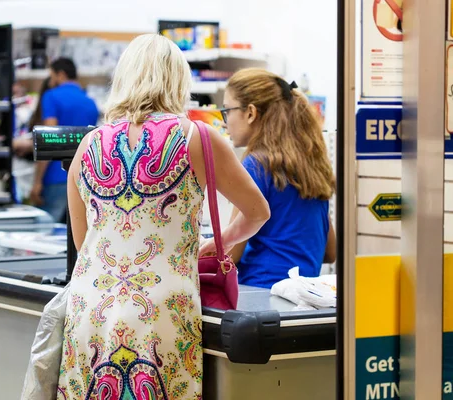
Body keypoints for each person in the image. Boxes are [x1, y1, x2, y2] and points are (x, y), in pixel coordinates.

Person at [57, 34, 270, 399]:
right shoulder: (196, 138)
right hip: (161, 313)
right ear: (177, 80)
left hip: (92, 310)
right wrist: (220, 241)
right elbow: (257, 211)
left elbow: (84, 243)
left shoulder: (87, 145)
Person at [222, 68, 336, 289]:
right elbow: (330, 252)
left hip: (260, 295)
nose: (225, 122)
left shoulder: (256, 165)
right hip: (304, 300)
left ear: (250, 113)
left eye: (227, 110)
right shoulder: (312, 165)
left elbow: (230, 254)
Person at [30, 58, 100, 223]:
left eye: (52, 75)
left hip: (55, 175)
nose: (51, 80)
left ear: (61, 75)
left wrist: (37, 181)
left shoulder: (51, 96)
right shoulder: (90, 102)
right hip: (84, 176)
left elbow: (50, 140)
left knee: (46, 229)